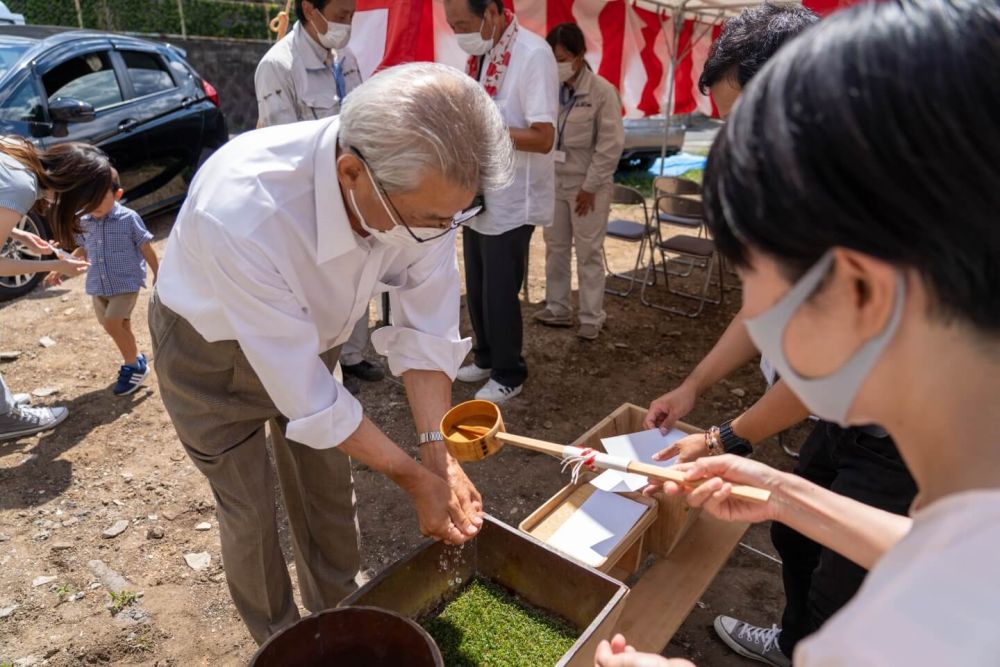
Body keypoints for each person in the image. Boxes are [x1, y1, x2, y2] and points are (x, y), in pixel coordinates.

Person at [600, 1, 1000, 665]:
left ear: (857, 290)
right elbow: (950, 547)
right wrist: (784, 494)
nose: (755, 315)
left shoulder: (886, 637)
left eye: (757, 276)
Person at [151, 62, 512, 644]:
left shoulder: (425, 192)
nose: (441, 231)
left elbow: (425, 331)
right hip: (209, 357)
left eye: (454, 217)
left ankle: (341, 618)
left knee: (328, 497)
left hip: (313, 344)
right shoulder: (246, 207)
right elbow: (309, 398)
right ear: (351, 173)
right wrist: (412, 478)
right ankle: (282, 641)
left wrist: (436, 452)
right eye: (427, 221)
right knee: (250, 514)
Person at [642, 7, 916, 665]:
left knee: (845, 590)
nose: (736, 142)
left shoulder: (865, 199)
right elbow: (766, 318)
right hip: (850, 417)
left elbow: (824, 365)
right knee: (796, 535)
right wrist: (694, 385)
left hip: (894, 439)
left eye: (745, 120)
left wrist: (725, 436)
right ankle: (794, 643)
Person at [254, 0, 384, 387]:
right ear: (311, 9)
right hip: (310, 198)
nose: (347, 24)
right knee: (317, 289)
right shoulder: (278, 66)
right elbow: (282, 148)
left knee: (355, 277)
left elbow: (360, 117)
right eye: (341, 16)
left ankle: (353, 354)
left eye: (351, 16)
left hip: (352, 193)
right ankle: (322, 373)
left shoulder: (345, 56)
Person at [445, 0, 558, 403]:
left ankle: (510, 371)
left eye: (463, 24)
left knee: (498, 291)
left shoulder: (532, 54)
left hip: (513, 198)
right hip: (479, 191)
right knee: (475, 286)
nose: (459, 34)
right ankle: (487, 357)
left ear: (492, 12)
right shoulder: (481, 54)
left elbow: (544, 137)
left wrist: (485, 128)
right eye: (451, 25)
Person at [0, 139, 106, 441]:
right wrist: (52, 266)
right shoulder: (22, 186)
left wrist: (17, 234)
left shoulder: (19, 152)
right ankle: (5, 418)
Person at [533, 23, 624, 341]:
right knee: (555, 248)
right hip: (555, 184)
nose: (558, 64)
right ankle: (557, 307)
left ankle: (591, 316)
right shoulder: (549, 90)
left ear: (579, 55)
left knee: (588, 252)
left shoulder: (601, 91)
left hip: (589, 188)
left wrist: (590, 187)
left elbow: (610, 147)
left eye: (563, 57)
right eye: (553, 57)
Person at [45, 169, 159, 396]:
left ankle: (133, 366)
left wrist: (159, 272)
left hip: (125, 282)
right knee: (119, 326)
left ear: (118, 194)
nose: (93, 205)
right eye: (88, 199)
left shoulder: (128, 218)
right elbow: (83, 249)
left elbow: (145, 246)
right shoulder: (84, 221)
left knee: (112, 324)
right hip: (99, 285)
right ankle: (136, 358)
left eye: (99, 199)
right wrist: (60, 267)